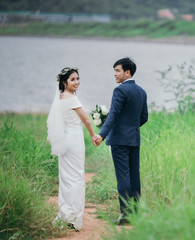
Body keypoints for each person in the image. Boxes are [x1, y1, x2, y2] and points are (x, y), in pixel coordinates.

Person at [92, 57, 148, 224]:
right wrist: (130, 127)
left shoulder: (120, 91)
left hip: (119, 141)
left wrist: (101, 135)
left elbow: (113, 116)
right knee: (134, 177)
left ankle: (125, 217)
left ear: (127, 72)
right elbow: (144, 117)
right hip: (134, 139)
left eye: (117, 71)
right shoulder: (141, 91)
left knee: (123, 177)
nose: (115, 74)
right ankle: (135, 214)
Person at [47, 67, 96, 231]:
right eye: (72, 79)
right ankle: (73, 218)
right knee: (76, 177)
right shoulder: (72, 99)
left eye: (77, 78)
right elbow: (87, 121)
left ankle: (65, 214)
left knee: (66, 178)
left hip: (64, 140)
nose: (76, 82)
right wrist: (93, 136)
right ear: (64, 82)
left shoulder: (61, 97)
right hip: (74, 140)